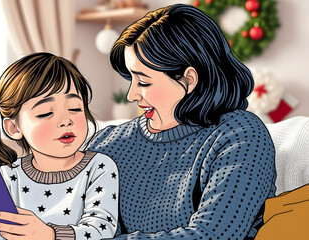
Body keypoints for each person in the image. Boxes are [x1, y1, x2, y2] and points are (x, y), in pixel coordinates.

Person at [86, 4, 276, 239]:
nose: (131, 95)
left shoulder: (240, 135)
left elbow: (212, 235)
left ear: (188, 80)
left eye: (144, 82)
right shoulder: (108, 142)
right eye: (130, 79)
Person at [0, 53, 119, 240]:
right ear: (13, 127)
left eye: (75, 109)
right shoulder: (9, 175)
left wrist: (49, 235)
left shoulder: (99, 167)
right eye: (45, 113)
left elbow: (101, 230)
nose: (66, 120)